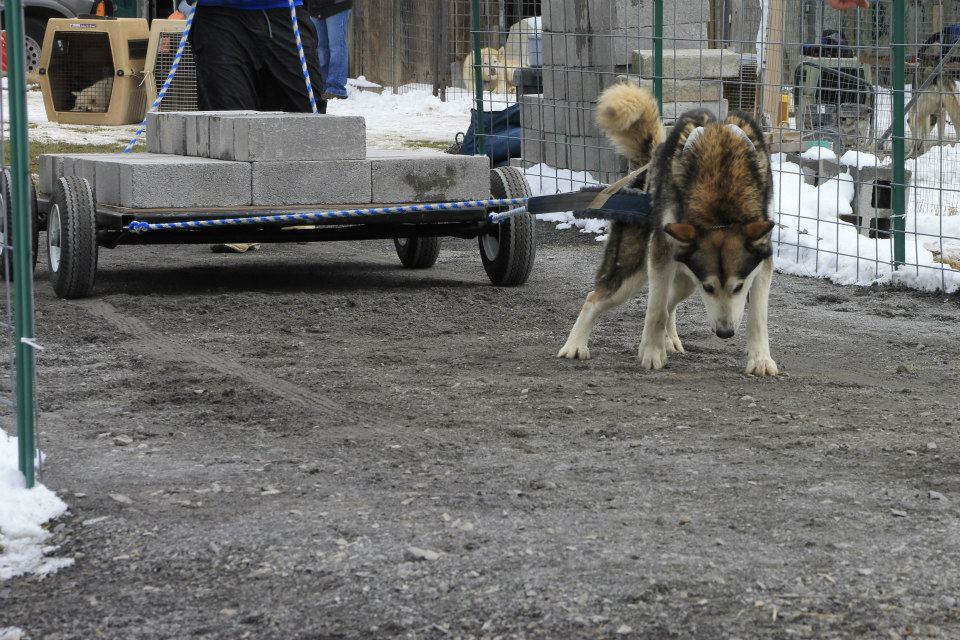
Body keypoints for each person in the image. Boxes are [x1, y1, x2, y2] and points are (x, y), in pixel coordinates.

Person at [187, 0, 328, 252]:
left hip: (283, 12)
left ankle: (292, 203)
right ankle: (238, 218)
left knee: (305, 107)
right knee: (228, 115)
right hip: (220, 14)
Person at [307, 0, 353, 100]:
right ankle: (322, 86)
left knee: (336, 46)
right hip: (315, 7)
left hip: (337, 5)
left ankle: (336, 87)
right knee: (321, 48)